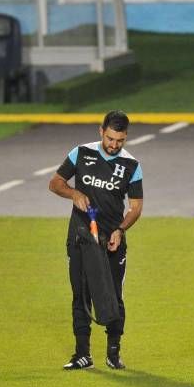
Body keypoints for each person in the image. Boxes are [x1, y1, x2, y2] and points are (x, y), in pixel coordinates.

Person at [49, 110, 143, 371]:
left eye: (120, 140)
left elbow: (135, 207)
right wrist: (74, 194)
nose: (114, 145)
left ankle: (113, 353)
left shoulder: (131, 165)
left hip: (111, 240)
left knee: (113, 296)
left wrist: (120, 230)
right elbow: (55, 183)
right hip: (81, 237)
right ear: (101, 131)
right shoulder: (81, 153)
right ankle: (82, 354)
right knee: (80, 295)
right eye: (110, 138)